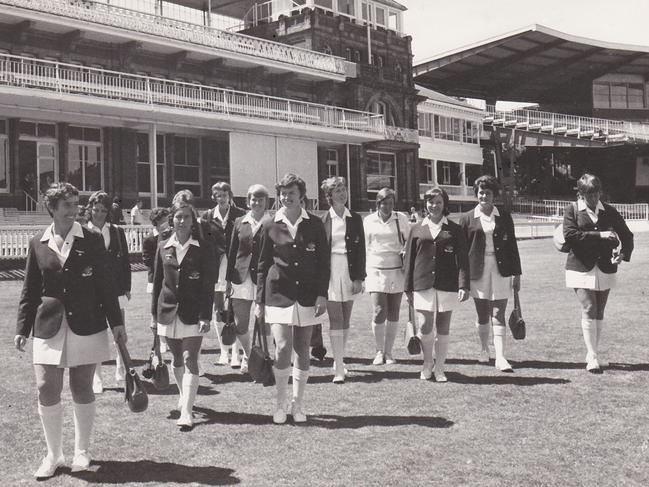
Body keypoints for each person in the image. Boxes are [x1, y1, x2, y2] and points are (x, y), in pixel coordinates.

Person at [14, 182, 125, 478]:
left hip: (87, 323)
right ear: (52, 208)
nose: (72, 211)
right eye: (66, 206)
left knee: (81, 387)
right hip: (48, 325)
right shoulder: (38, 241)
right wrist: (22, 327)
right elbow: (30, 289)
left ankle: (81, 452)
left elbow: (105, 284)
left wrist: (116, 322)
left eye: (76, 205)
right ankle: (53, 455)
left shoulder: (90, 238)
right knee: (45, 387)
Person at [255, 173, 330, 424]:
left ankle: (298, 405)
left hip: (308, 295)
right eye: (283, 194)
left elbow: (323, 263)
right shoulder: (269, 224)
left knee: (302, 349)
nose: (286, 198)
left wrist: (322, 294)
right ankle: (280, 403)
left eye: (291, 194)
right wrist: (258, 300)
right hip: (278, 294)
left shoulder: (315, 224)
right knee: (283, 347)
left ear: (302, 197)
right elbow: (262, 265)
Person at [152, 193, 216, 430]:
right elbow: (158, 284)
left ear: (193, 220)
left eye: (186, 217)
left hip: (193, 312)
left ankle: (187, 412)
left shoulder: (203, 248)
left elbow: (208, 286)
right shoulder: (163, 246)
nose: (181, 221)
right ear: (172, 219)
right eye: (178, 217)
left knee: (190, 358)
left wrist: (205, 315)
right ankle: (183, 395)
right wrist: (153, 316)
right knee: (176, 358)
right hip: (167, 311)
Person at [563, 173, 633, 373]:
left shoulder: (609, 211)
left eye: (596, 194)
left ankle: (594, 352)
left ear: (601, 192)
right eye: (588, 195)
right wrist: (600, 235)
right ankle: (592, 357)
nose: (593, 199)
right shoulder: (573, 209)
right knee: (589, 307)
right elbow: (570, 235)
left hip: (605, 267)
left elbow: (627, 235)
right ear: (581, 193)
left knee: (599, 311)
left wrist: (623, 254)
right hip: (579, 267)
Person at [404, 187, 470, 382]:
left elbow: (463, 260)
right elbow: (409, 260)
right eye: (431, 202)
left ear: (445, 204)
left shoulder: (455, 229)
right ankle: (427, 363)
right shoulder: (416, 229)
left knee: (443, 327)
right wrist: (407, 288)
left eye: (439, 202)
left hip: (447, 284)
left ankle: (440, 366)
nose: (434, 206)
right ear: (425, 204)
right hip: (421, 283)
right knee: (424, 326)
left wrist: (463, 285)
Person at [458, 175, 522, 372]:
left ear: (494, 195)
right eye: (480, 192)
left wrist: (517, 274)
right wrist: (462, 282)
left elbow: (512, 246)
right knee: (482, 313)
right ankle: (484, 349)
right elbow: (461, 253)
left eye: (487, 192)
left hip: (501, 269)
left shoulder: (504, 215)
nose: (483, 196)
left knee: (498, 312)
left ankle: (501, 357)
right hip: (477, 270)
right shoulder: (467, 218)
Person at [320, 177, 365, 383]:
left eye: (344, 189)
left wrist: (358, 278)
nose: (342, 193)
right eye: (337, 190)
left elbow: (361, 251)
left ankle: (340, 358)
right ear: (329, 195)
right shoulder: (322, 220)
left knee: (346, 318)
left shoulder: (355, 218)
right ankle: (338, 367)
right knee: (335, 318)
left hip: (349, 271)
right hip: (329, 272)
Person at [85, 191, 132, 394]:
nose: (99, 214)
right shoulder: (82, 231)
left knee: (119, 331)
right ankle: (97, 377)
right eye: (96, 210)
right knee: (96, 333)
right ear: (90, 209)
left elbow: (125, 261)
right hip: (92, 290)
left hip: (115, 288)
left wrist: (127, 286)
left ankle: (121, 369)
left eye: (104, 210)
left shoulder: (117, 231)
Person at [225, 184, 271, 374]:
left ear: (267, 202)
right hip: (240, 279)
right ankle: (249, 355)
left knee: (265, 322)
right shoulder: (239, 222)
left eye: (261, 199)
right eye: (253, 199)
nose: (257, 202)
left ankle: (267, 359)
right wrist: (228, 280)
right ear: (248, 201)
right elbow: (232, 251)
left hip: (265, 279)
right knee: (241, 323)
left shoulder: (273, 222)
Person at [363, 188, 410, 365]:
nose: (387, 206)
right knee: (378, 310)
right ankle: (378, 351)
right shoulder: (368, 221)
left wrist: (405, 250)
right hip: (375, 269)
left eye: (390, 203)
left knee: (393, 311)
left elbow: (409, 241)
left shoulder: (401, 218)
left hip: (397, 269)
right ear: (378, 203)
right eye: (384, 203)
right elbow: (364, 247)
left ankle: (389, 352)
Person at [201, 182, 246, 367]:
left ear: (230, 195)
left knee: (234, 309)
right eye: (218, 195)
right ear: (214, 197)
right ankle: (223, 351)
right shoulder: (208, 216)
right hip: (216, 267)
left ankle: (236, 354)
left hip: (235, 267)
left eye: (224, 194)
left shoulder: (240, 214)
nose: (221, 198)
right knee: (218, 310)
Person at [142, 207, 171, 295]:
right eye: (165, 220)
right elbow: (146, 260)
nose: (168, 223)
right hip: (154, 276)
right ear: (157, 221)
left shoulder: (169, 236)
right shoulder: (149, 239)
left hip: (168, 275)